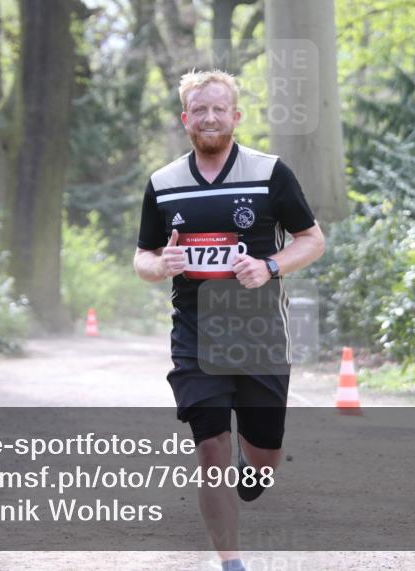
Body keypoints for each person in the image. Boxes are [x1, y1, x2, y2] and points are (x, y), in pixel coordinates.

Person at [134, 70, 325, 571]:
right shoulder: (163, 184)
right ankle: (231, 562)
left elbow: (312, 240)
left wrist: (269, 266)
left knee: (262, 460)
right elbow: (143, 257)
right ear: (185, 119)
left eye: (220, 109)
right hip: (196, 337)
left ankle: (255, 466)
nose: (210, 117)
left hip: (260, 335)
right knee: (212, 450)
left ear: (236, 116)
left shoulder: (270, 173)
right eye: (200, 110)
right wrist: (161, 266)